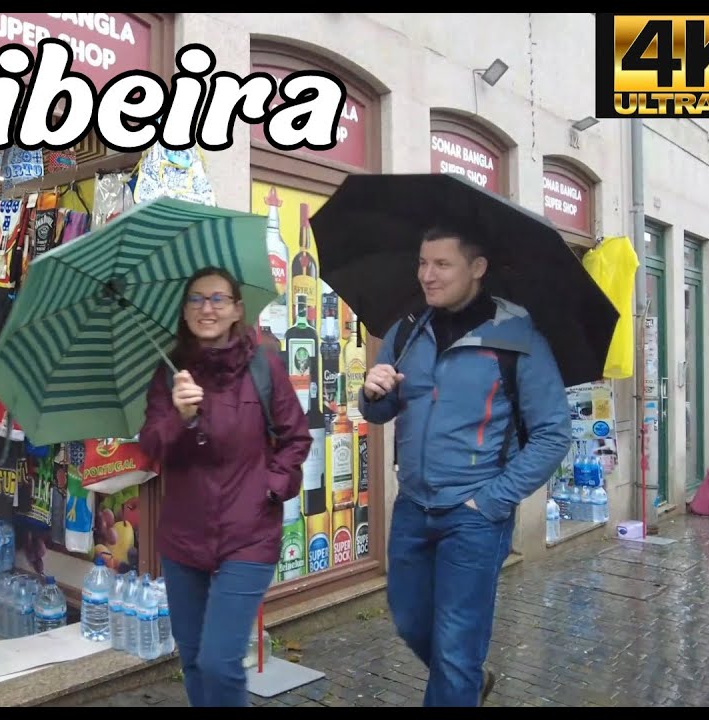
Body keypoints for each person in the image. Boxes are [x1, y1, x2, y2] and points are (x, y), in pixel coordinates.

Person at [359, 227, 571, 707]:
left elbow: (553, 433)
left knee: (456, 645)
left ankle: (461, 681)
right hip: (413, 506)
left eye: (441, 264)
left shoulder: (517, 339)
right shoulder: (408, 330)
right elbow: (381, 411)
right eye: (422, 262)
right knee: (409, 620)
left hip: (473, 515)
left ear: (476, 268)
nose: (426, 275)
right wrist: (372, 391)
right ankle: (469, 683)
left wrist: (491, 501)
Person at [138, 266, 312, 707]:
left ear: (237, 310)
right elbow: (151, 447)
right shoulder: (169, 374)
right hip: (183, 536)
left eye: (218, 299)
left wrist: (270, 489)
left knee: (220, 661)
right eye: (196, 299)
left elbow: (296, 438)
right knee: (194, 657)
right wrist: (179, 417)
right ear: (184, 311)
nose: (207, 308)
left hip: (248, 533)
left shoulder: (263, 366)